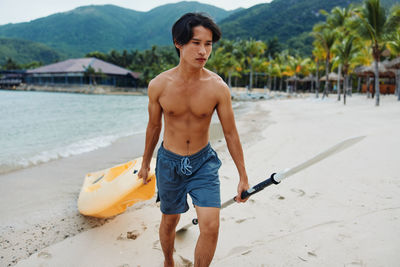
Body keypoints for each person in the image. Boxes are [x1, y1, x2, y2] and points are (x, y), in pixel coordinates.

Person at [138, 12, 249, 267]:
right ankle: (168, 260)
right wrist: (146, 163)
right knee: (170, 220)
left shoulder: (217, 87)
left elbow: (231, 133)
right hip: (168, 163)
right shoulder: (159, 85)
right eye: (196, 43)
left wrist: (243, 175)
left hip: (202, 162)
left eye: (208, 44)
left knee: (211, 225)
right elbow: (154, 127)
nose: (203, 51)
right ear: (179, 42)